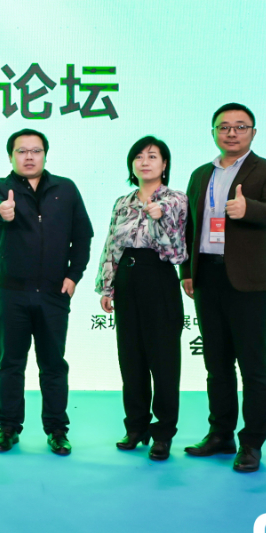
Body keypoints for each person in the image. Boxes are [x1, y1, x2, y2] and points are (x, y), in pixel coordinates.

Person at [180, 103, 266, 473]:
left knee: (253, 364)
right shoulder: (200, 174)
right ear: (213, 132)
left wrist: (249, 209)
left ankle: (252, 443)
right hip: (207, 277)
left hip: (249, 281)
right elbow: (190, 225)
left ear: (253, 132)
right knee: (216, 363)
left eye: (240, 126)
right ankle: (220, 434)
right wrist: (187, 270)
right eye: (223, 126)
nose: (231, 133)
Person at [0, 128, 93, 455]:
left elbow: (82, 235)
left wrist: (74, 275)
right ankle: (7, 427)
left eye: (35, 151)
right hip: (11, 293)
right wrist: (1, 210)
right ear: (11, 156)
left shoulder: (65, 189)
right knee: (10, 363)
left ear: (45, 154)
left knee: (53, 364)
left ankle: (57, 430)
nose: (29, 157)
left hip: (53, 294)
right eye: (21, 151)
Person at [96, 136, 189, 461]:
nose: (144, 162)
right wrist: (107, 286)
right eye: (138, 156)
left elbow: (178, 251)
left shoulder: (176, 200)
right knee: (131, 359)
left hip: (158, 278)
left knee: (164, 362)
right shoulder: (122, 202)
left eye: (152, 156)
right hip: (126, 279)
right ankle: (135, 426)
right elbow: (111, 245)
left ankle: (163, 433)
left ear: (164, 164)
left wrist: (159, 216)